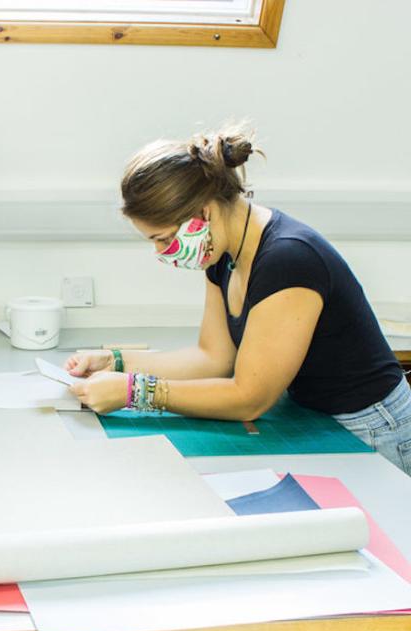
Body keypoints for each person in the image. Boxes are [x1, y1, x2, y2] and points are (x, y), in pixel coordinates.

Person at [66, 125, 411, 474]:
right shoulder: (224, 255)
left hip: (373, 427)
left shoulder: (287, 260)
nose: (160, 253)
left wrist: (134, 391)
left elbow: (249, 398)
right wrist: (118, 362)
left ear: (203, 213)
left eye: (163, 238)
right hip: (318, 414)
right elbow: (212, 358)